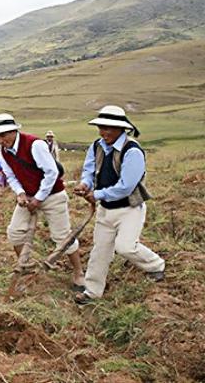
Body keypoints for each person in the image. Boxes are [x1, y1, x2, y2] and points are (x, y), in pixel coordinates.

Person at [72, 106, 165, 304]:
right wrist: (84, 184)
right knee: (100, 250)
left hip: (129, 208)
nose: (104, 132)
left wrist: (96, 194)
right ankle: (92, 291)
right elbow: (89, 170)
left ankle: (156, 265)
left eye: (109, 128)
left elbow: (126, 186)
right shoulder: (97, 146)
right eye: (101, 127)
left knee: (126, 247)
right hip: (106, 209)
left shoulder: (133, 151)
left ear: (121, 129)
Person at [0, 113, 85, 291]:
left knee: (62, 236)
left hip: (53, 195)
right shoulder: (3, 152)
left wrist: (39, 198)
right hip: (29, 197)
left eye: (4, 135)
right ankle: (25, 269)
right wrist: (20, 193)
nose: (1, 140)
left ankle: (78, 272)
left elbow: (51, 173)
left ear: (14, 131)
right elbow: (10, 175)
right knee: (15, 232)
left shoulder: (35, 145)